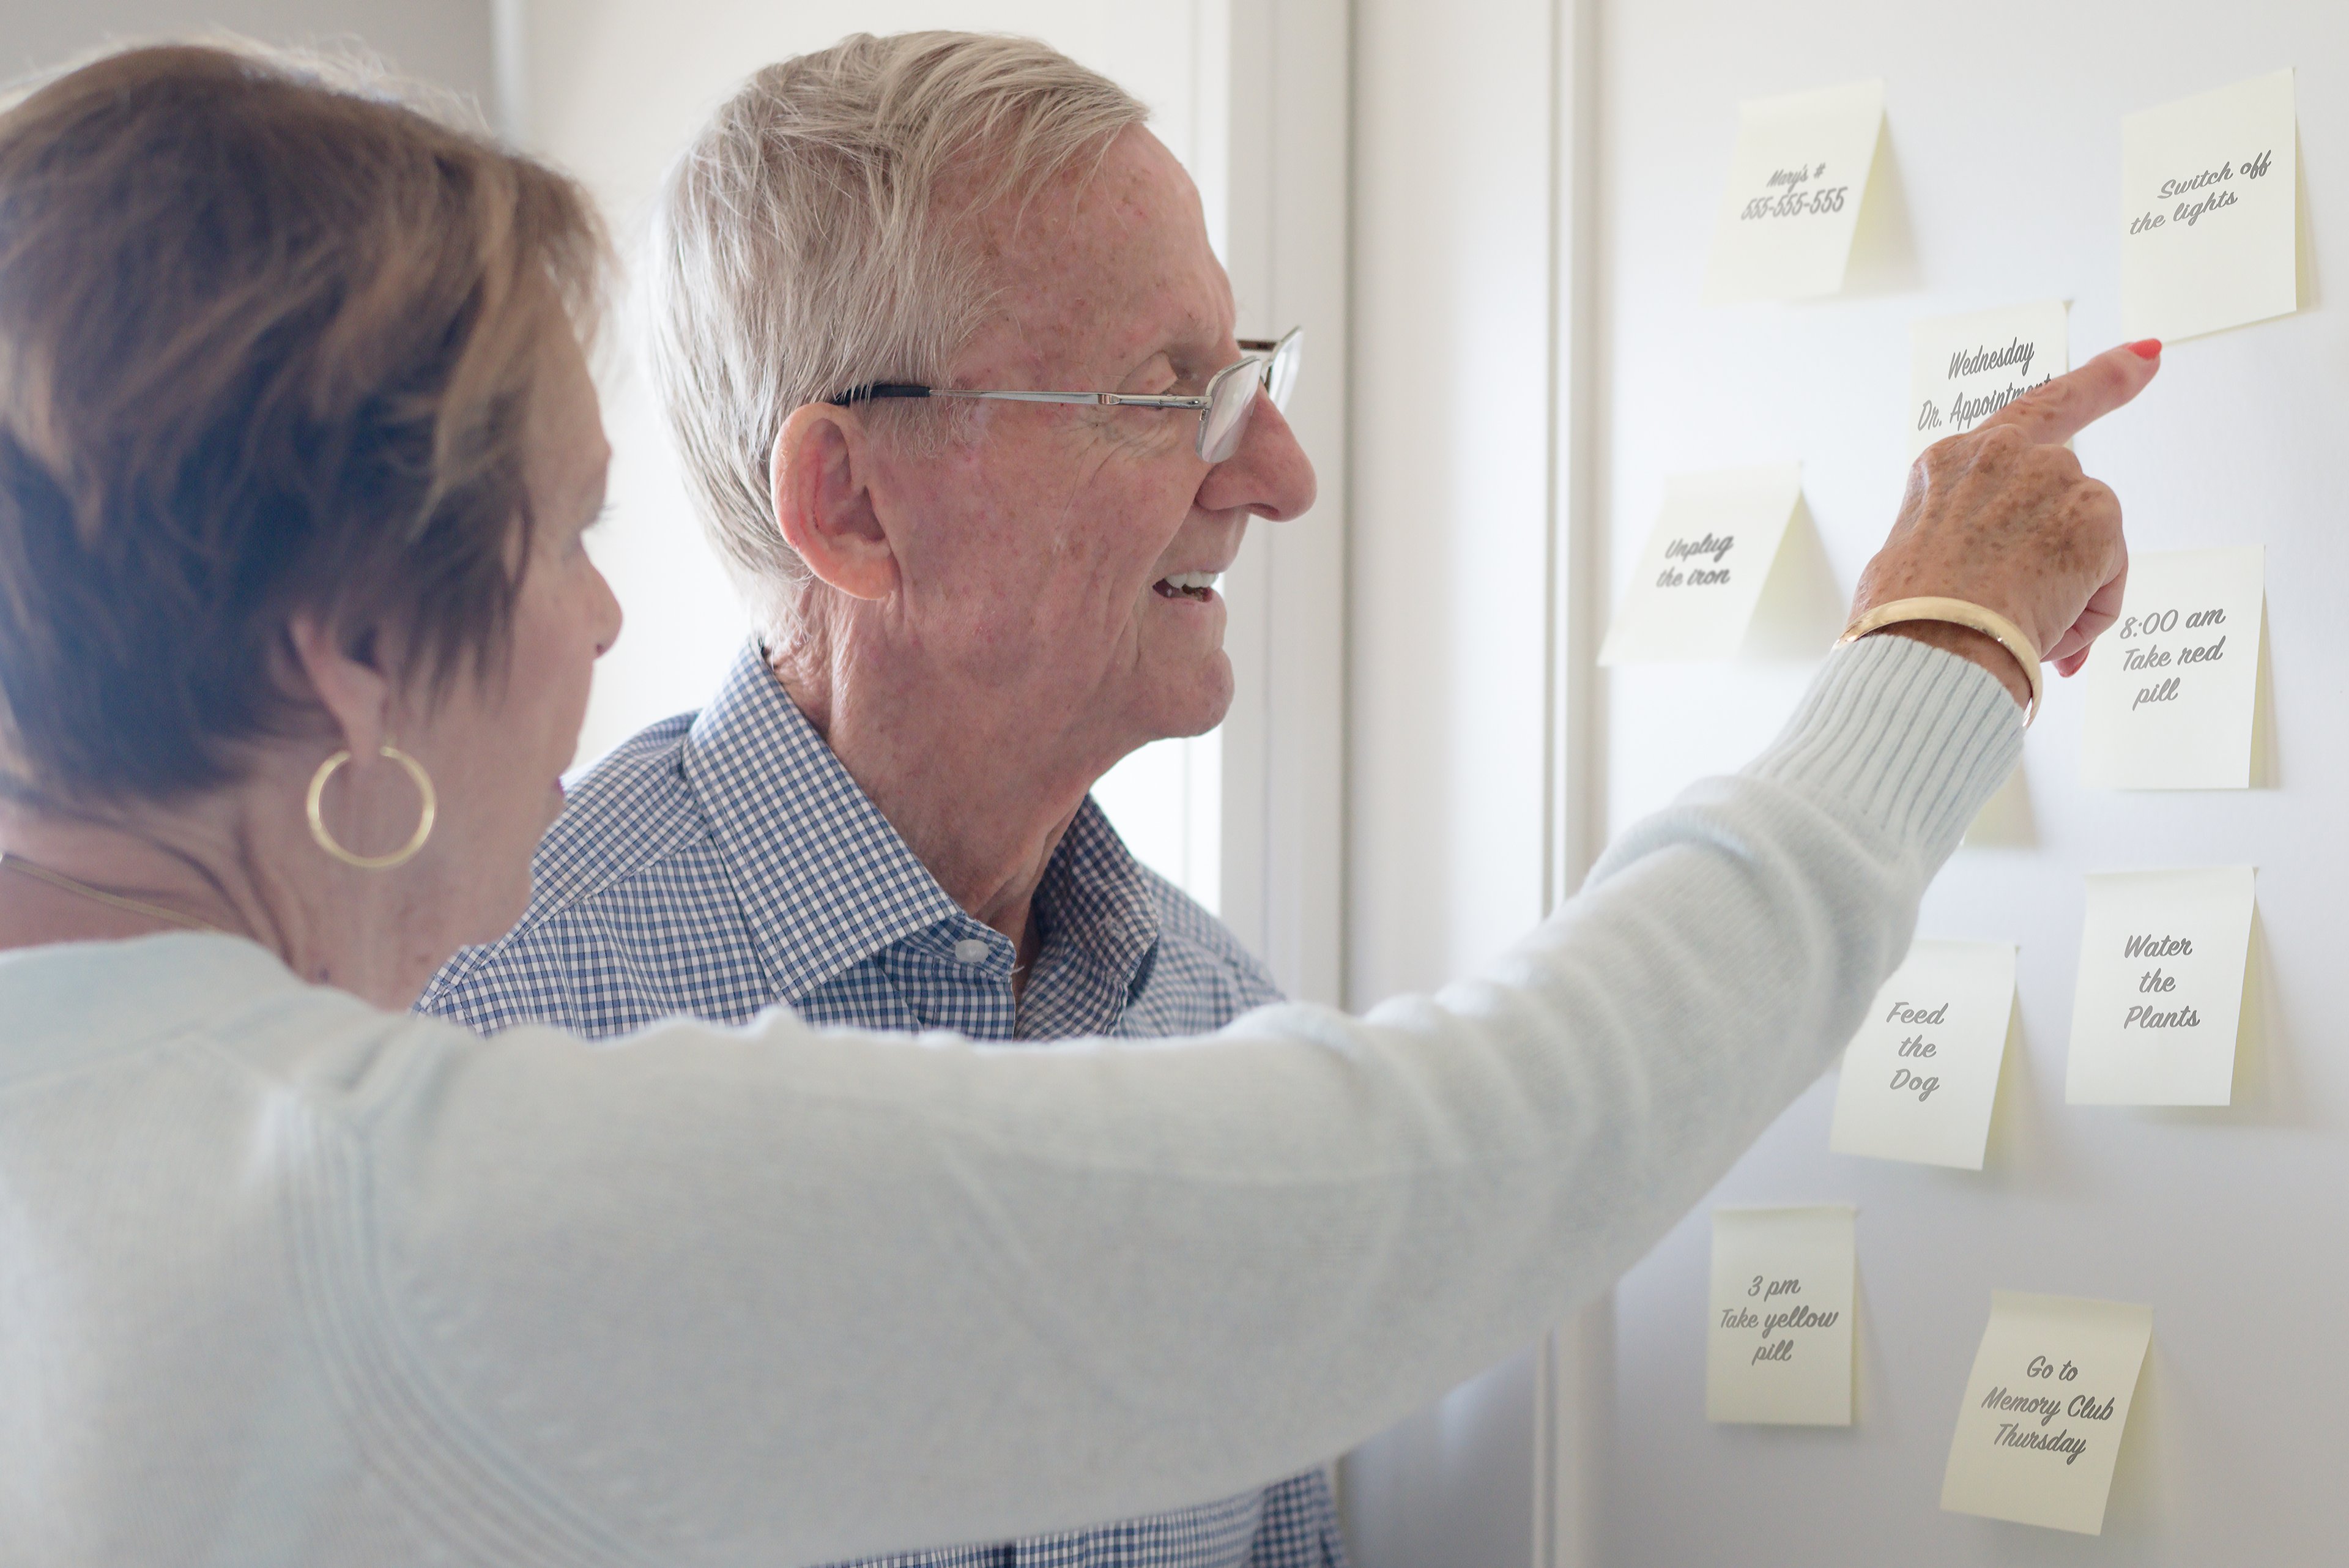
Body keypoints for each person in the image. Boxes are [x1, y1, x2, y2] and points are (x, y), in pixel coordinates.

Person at [0, 40, 2155, 1568]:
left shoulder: (1207, 1002)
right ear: (844, 501)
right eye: (1162, 391)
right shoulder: (417, 1134)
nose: (598, 616)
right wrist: (1938, 648)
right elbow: (1478, 1156)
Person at [420, 37, 1335, 1566]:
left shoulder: (1229, 1034)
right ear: (849, 502)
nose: (1278, 473)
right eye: (1168, 393)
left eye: (1247, 381)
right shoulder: (462, 1031)